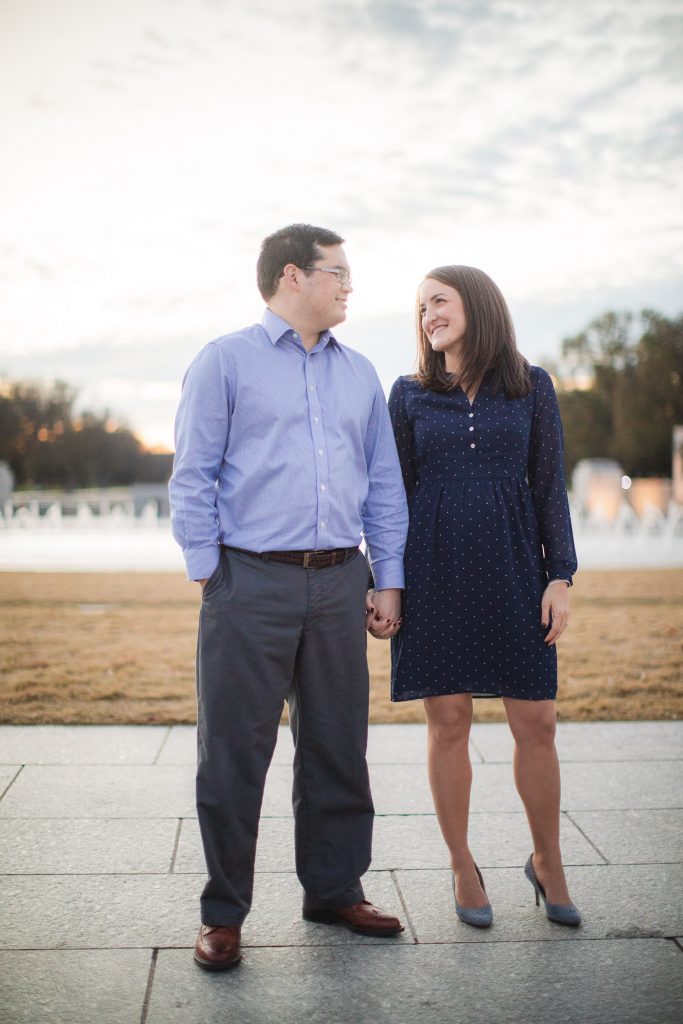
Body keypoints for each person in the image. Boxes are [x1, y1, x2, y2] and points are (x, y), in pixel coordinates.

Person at [169, 223, 408, 970]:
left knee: (338, 745)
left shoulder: (360, 372)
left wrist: (388, 578)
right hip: (250, 583)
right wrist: (212, 572)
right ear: (290, 277)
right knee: (233, 752)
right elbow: (192, 475)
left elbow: (383, 485)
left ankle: (334, 889)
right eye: (336, 273)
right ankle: (223, 913)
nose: (347, 286)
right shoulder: (224, 362)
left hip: (342, 580)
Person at [388, 265, 581, 929]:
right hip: (432, 572)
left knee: (537, 721)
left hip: (511, 571)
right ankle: (460, 864)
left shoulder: (532, 389)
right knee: (448, 722)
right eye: (419, 309)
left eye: (437, 301)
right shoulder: (408, 394)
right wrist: (386, 579)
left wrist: (560, 576)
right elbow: (391, 496)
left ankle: (548, 859)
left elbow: (548, 486)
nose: (426, 317)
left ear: (476, 304)